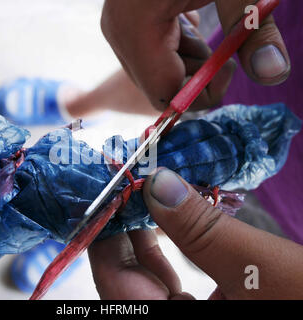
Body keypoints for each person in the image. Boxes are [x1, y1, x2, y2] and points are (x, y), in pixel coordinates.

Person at [87, 0, 303, 299]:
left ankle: (94, 235)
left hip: (291, 239)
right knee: (166, 80)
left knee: (161, 214)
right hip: (256, 57)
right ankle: (78, 102)